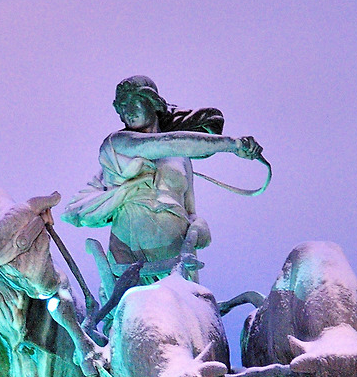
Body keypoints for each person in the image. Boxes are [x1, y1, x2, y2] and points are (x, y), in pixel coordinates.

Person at [63, 76, 262, 294]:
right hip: (130, 259)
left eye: (133, 101)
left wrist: (199, 225)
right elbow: (167, 143)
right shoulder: (117, 143)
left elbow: (190, 210)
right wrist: (232, 144)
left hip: (177, 258)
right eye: (122, 106)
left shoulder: (182, 160)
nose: (127, 111)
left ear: (154, 103)